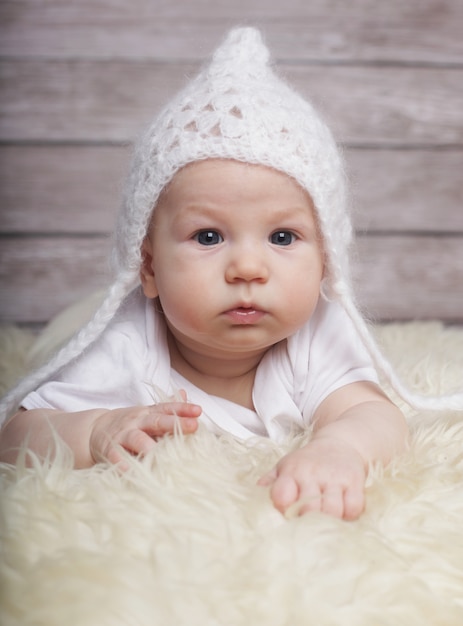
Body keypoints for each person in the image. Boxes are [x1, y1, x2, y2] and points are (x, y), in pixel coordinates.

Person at [0, 27, 459, 520]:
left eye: (282, 237)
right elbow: (16, 437)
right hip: (80, 319)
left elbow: (374, 415)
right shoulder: (125, 342)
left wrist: (340, 449)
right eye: (209, 237)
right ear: (148, 266)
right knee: (62, 334)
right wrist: (93, 431)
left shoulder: (317, 332)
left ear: (327, 259)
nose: (247, 268)